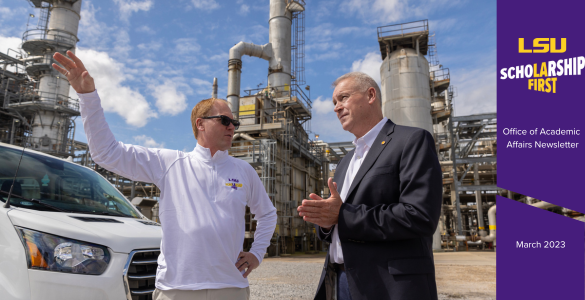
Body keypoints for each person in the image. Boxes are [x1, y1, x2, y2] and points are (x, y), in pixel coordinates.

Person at [52, 51, 277, 300]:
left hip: (231, 287)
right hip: (177, 289)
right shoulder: (171, 163)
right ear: (200, 124)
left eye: (234, 123)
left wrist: (257, 253)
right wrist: (88, 97)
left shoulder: (243, 170)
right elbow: (106, 153)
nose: (232, 127)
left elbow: (267, 213)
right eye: (224, 120)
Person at [297, 72, 442, 300]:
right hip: (342, 281)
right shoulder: (346, 162)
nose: (336, 107)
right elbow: (337, 222)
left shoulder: (411, 141)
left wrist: (342, 215)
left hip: (388, 285)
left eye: (343, 98)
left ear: (371, 95)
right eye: (335, 102)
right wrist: (324, 222)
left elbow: (419, 216)